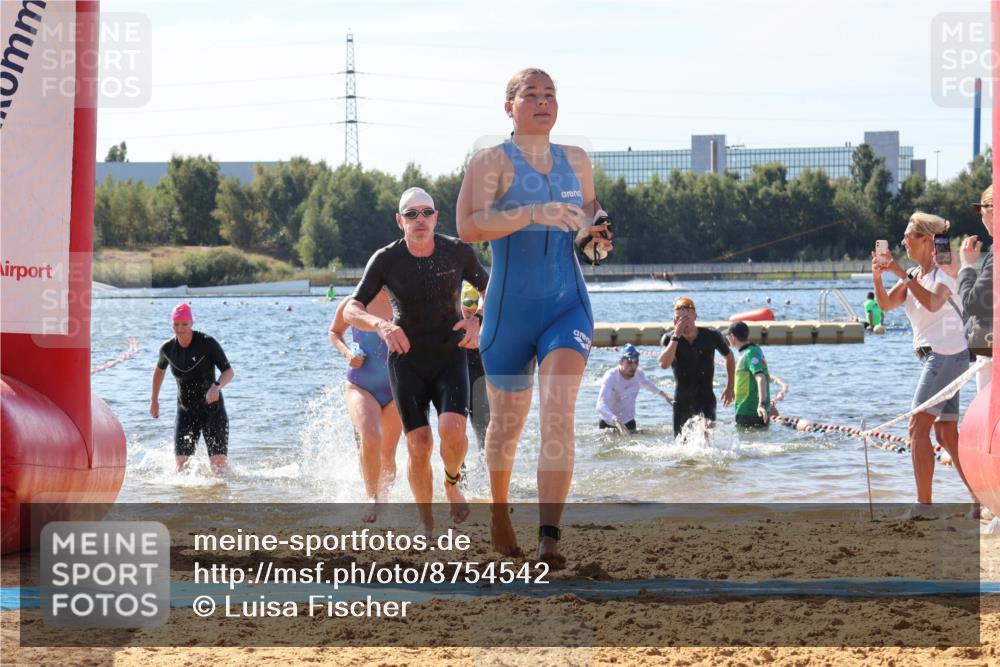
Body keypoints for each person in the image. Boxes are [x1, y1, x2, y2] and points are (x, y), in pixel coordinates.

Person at [456, 67, 613, 567]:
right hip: (507, 313)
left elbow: (590, 217)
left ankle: (549, 536)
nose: (543, 102)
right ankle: (499, 510)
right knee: (505, 426)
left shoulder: (577, 161)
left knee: (559, 411)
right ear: (510, 107)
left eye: (550, 94)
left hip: (567, 305)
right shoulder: (489, 162)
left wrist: (597, 239)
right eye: (531, 94)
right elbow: (468, 228)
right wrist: (531, 213)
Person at [345, 187, 489, 535]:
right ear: (400, 221)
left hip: (449, 355)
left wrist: (477, 319)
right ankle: (426, 521)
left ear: (436, 217)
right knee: (420, 444)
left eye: (427, 212)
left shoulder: (456, 251)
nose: (420, 219)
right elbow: (351, 308)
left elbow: (493, 286)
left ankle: (452, 482)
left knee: (453, 432)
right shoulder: (386, 259)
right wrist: (381, 325)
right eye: (412, 214)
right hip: (406, 360)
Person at [871, 211, 979, 509]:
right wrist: (878, 278)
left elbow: (932, 303)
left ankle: (924, 506)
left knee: (917, 427)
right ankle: (979, 500)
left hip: (946, 355)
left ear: (926, 240)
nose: (903, 241)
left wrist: (899, 273)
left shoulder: (946, 267)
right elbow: (885, 304)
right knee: (945, 434)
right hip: (942, 358)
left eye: (908, 236)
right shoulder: (914, 276)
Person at [329, 288, 402, 522]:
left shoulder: (403, 301)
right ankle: (371, 497)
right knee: (370, 438)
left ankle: (383, 498)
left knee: (387, 455)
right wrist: (348, 353)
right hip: (361, 385)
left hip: (397, 388)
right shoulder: (353, 303)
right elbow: (335, 331)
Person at [150, 303, 234, 473]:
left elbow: (228, 372)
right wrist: (154, 400)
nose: (180, 329)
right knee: (181, 466)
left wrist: (216, 387)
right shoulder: (167, 348)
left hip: (212, 410)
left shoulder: (207, 343)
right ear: (171, 324)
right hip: (186, 411)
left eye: (184, 324)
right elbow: (159, 370)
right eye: (176, 324)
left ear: (192, 323)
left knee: (218, 465)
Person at [657, 297, 735, 435]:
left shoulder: (711, 336)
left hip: (706, 398)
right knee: (682, 447)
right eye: (678, 319)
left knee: (707, 436)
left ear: (695, 316)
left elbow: (729, 357)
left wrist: (730, 387)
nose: (682, 322)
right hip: (682, 401)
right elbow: (663, 364)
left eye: (685, 318)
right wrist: (676, 336)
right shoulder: (669, 339)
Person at [960, 185, 994, 390]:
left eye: (982, 213)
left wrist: (967, 266)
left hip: (990, 347)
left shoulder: (997, 253)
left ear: (991, 210)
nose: (981, 220)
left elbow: (973, 304)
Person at [596, 344, 671, 434]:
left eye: (636, 362)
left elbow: (648, 385)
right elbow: (600, 405)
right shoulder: (611, 377)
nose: (634, 366)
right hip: (609, 424)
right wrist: (616, 421)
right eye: (630, 362)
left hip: (629, 422)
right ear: (621, 362)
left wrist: (665, 395)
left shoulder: (638, 374)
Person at [726, 321, 771, 429]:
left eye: (728, 336)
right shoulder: (752, 350)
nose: (727, 339)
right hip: (745, 410)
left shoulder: (750, 353)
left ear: (732, 337)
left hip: (749, 412)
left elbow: (760, 377)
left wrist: (761, 404)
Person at [461, 282, 490, 450]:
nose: (469, 315)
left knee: (483, 433)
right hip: (459, 382)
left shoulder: (486, 322)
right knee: (456, 431)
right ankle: (459, 472)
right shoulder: (454, 323)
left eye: (473, 311)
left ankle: (483, 473)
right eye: (466, 311)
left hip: (480, 383)